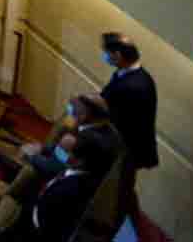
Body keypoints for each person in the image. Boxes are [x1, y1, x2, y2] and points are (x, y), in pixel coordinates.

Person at [100, 32, 158, 218]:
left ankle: (126, 228)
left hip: (126, 149)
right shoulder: (126, 74)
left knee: (121, 192)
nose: (105, 56)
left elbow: (118, 116)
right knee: (121, 190)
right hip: (122, 146)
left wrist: (98, 105)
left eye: (107, 53)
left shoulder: (135, 85)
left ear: (117, 55)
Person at [22, 133, 113, 241]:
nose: (65, 155)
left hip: (34, 231)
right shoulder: (81, 173)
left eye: (69, 152)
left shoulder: (72, 189)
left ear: (80, 161)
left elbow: (49, 224)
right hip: (35, 208)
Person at [23, 95, 121, 179]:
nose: (68, 115)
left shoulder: (83, 139)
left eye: (71, 111)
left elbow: (54, 168)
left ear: (83, 115)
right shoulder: (110, 131)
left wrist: (32, 156)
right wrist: (45, 149)